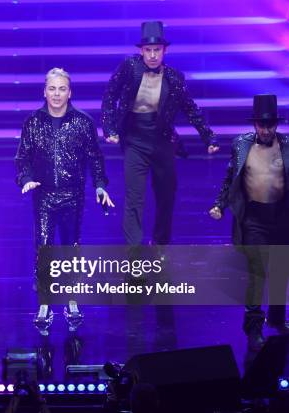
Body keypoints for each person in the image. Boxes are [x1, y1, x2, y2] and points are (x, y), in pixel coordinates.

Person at [102, 21, 219, 247]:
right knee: (134, 198)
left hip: (162, 140)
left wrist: (208, 136)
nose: (153, 55)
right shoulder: (129, 67)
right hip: (134, 138)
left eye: (157, 50)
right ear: (141, 51)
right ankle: (134, 252)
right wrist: (109, 127)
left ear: (165, 51)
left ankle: (160, 244)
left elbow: (190, 107)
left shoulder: (174, 78)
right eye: (148, 50)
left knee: (166, 196)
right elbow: (110, 95)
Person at [15, 67, 113, 335]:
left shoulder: (82, 122)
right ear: (44, 92)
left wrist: (100, 185)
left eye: (61, 89)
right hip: (44, 194)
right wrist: (25, 179)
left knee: (70, 250)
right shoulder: (33, 122)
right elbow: (22, 157)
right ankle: (45, 305)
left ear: (69, 93)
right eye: (52, 89)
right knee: (45, 249)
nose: (56, 94)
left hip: (73, 195)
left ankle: (71, 302)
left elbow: (95, 157)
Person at [210, 94, 289, 350]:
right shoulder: (241, 145)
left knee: (280, 271)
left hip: (282, 216)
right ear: (255, 124)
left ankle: (277, 318)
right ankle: (254, 326)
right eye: (261, 125)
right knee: (257, 272)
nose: (266, 130)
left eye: (270, 125)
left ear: (276, 125)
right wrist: (219, 204)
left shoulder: (287, 145)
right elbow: (230, 177)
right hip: (254, 217)